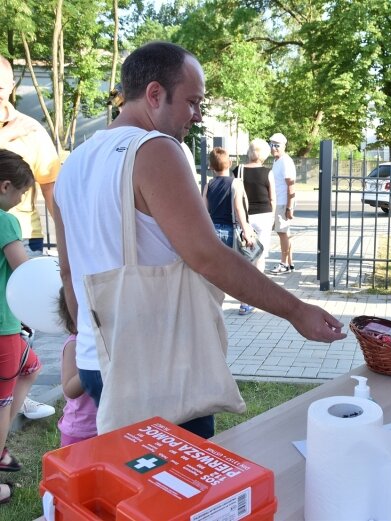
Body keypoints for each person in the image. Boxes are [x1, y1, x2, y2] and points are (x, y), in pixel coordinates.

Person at [53, 41, 345, 439]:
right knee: (184, 491)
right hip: (158, 367)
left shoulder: (73, 165)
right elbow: (207, 256)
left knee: (140, 486)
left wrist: (87, 339)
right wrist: (295, 310)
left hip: (96, 360)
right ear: (155, 94)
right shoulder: (154, 149)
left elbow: (69, 273)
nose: (198, 114)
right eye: (192, 102)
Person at [0, 149, 43, 505]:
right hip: (3, 326)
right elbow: (23, 270)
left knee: (31, 367)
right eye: (21, 193)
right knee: (1, 402)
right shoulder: (5, 221)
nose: (20, 201)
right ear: (5, 186)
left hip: (7, 328)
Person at [0, 55, 60, 259]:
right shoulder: (13, 131)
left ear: (11, 86)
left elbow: (50, 187)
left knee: (25, 290)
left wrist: (65, 237)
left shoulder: (31, 130)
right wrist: (4, 136)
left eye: (0, 88)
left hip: (23, 236)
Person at [203, 147, 257, 315]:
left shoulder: (208, 185)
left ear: (210, 166)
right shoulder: (236, 183)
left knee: (215, 270)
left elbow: (203, 210)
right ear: (231, 163)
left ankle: (213, 304)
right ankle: (244, 304)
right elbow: (239, 209)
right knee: (238, 269)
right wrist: (247, 230)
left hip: (212, 231)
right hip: (230, 230)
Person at [56, 288, 97, 447]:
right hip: (81, 431)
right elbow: (69, 389)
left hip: (108, 426)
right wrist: (94, 363)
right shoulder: (74, 344)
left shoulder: (108, 342)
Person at [233, 139, 275, 279]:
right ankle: (259, 284)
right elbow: (272, 198)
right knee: (260, 255)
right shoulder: (268, 172)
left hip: (244, 215)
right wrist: (273, 217)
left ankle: (246, 289)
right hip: (264, 215)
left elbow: (233, 194)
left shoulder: (238, 170)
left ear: (249, 152)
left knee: (245, 253)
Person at [268, 132, 296, 274]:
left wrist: (289, 207)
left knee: (282, 233)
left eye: (277, 145)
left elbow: (291, 186)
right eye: (271, 145)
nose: (273, 148)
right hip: (279, 202)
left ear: (284, 146)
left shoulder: (285, 161)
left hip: (283, 203)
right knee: (285, 233)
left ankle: (284, 263)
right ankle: (290, 263)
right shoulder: (277, 161)